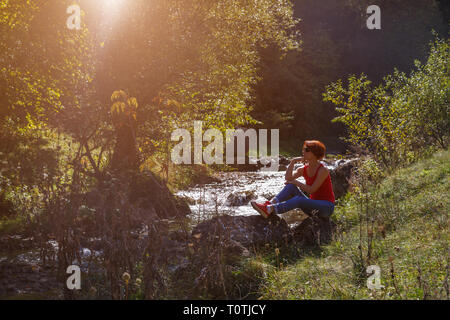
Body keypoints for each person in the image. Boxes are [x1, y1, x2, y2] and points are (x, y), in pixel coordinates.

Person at [250, 140, 335, 219]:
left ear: (314, 153)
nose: (303, 151)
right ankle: (269, 205)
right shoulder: (303, 169)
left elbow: (312, 190)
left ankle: (272, 209)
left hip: (326, 208)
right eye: (303, 149)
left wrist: (295, 182)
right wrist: (293, 162)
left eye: (306, 149)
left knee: (299, 199)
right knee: (291, 186)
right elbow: (288, 178)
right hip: (312, 207)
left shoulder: (323, 170)